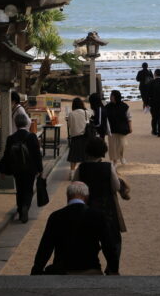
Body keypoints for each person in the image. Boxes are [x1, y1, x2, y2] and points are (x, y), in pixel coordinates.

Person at [30, 182, 110, 275]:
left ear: (68, 196)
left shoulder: (56, 216)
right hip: (90, 268)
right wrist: (113, 268)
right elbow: (107, 244)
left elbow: (46, 246)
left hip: (62, 271)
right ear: (87, 197)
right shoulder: (97, 216)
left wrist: (37, 269)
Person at [73, 137, 125, 275]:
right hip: (107, 208)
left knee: (88, 238)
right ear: (103, 151)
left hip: (87, 207)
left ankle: (91, 265)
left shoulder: (82, 168)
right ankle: (112, 267)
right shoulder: (108, 167)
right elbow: (116, 186)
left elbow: (75, 186)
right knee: (113, 239)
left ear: (87, 151)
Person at [0, 111, 42, 223]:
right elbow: (37, 154)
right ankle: (25, 207)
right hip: (30, 169)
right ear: (26, 123)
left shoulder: (11, 138)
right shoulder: (32, 137)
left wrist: (2, 170)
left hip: (17, 168)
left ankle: (20, 208)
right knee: (28, 189)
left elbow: (6, 155)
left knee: (19, 189)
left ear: (16, 123)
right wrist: (40, 169)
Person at [105, 90, 132, 166]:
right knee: (112, 147)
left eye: (112, 96)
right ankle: (114, 161)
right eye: (110, 95)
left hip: (122, 129)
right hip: (112, 129)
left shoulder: (124, 106)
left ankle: (121, 157)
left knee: (122, 145)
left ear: (116, 97)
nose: (110, 97)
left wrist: (130, 127)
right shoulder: (107, 107)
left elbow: (129, 117)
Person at [66, 97, 91, 171]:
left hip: (75, 138)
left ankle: (72, 172)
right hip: (85, 137)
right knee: (85, 157)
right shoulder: (86, 112)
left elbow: (69, 125)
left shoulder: (71, 114)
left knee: (73, 158)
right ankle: (85, 172)